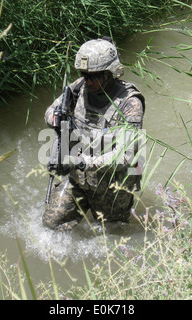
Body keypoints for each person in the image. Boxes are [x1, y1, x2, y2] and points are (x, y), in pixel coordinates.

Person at [42, 37, 145, 231]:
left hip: (113, 187)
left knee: (111, 236)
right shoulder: (78, 87)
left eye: (94, 76)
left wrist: (84, 162)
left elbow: (126, 156)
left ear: (110, 73)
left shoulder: (130, 104)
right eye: (84, 74)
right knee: (51, 224)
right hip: (78, 179)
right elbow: (50, 111)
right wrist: (55, 118)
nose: (88, 81)